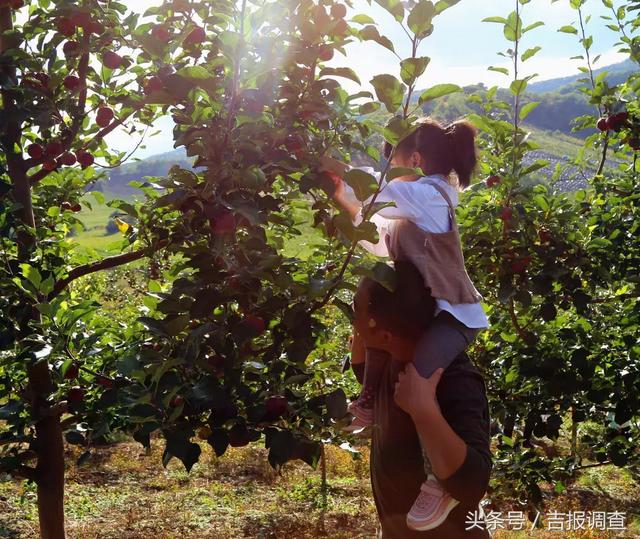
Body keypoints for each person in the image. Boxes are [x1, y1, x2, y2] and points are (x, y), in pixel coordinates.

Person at [322, 117, 489, 530]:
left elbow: (377, 193)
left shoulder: (432, 195)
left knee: (420, 382)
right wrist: (340, 196)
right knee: (383, 350)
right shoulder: (407, 206)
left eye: (389, 159)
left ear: (414, 159)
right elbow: (374, 236)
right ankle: (366, 401)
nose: (384, 167)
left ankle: (442, 483)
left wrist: (326, 163)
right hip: (417, 316)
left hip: (451, 318)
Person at [351, 261, 492, 538]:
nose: (351, 315)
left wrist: (423, 409)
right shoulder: (388, 359)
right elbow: (362, 373)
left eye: (356, 307)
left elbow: (472, 483)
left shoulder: (453, 378)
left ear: (384, 334)